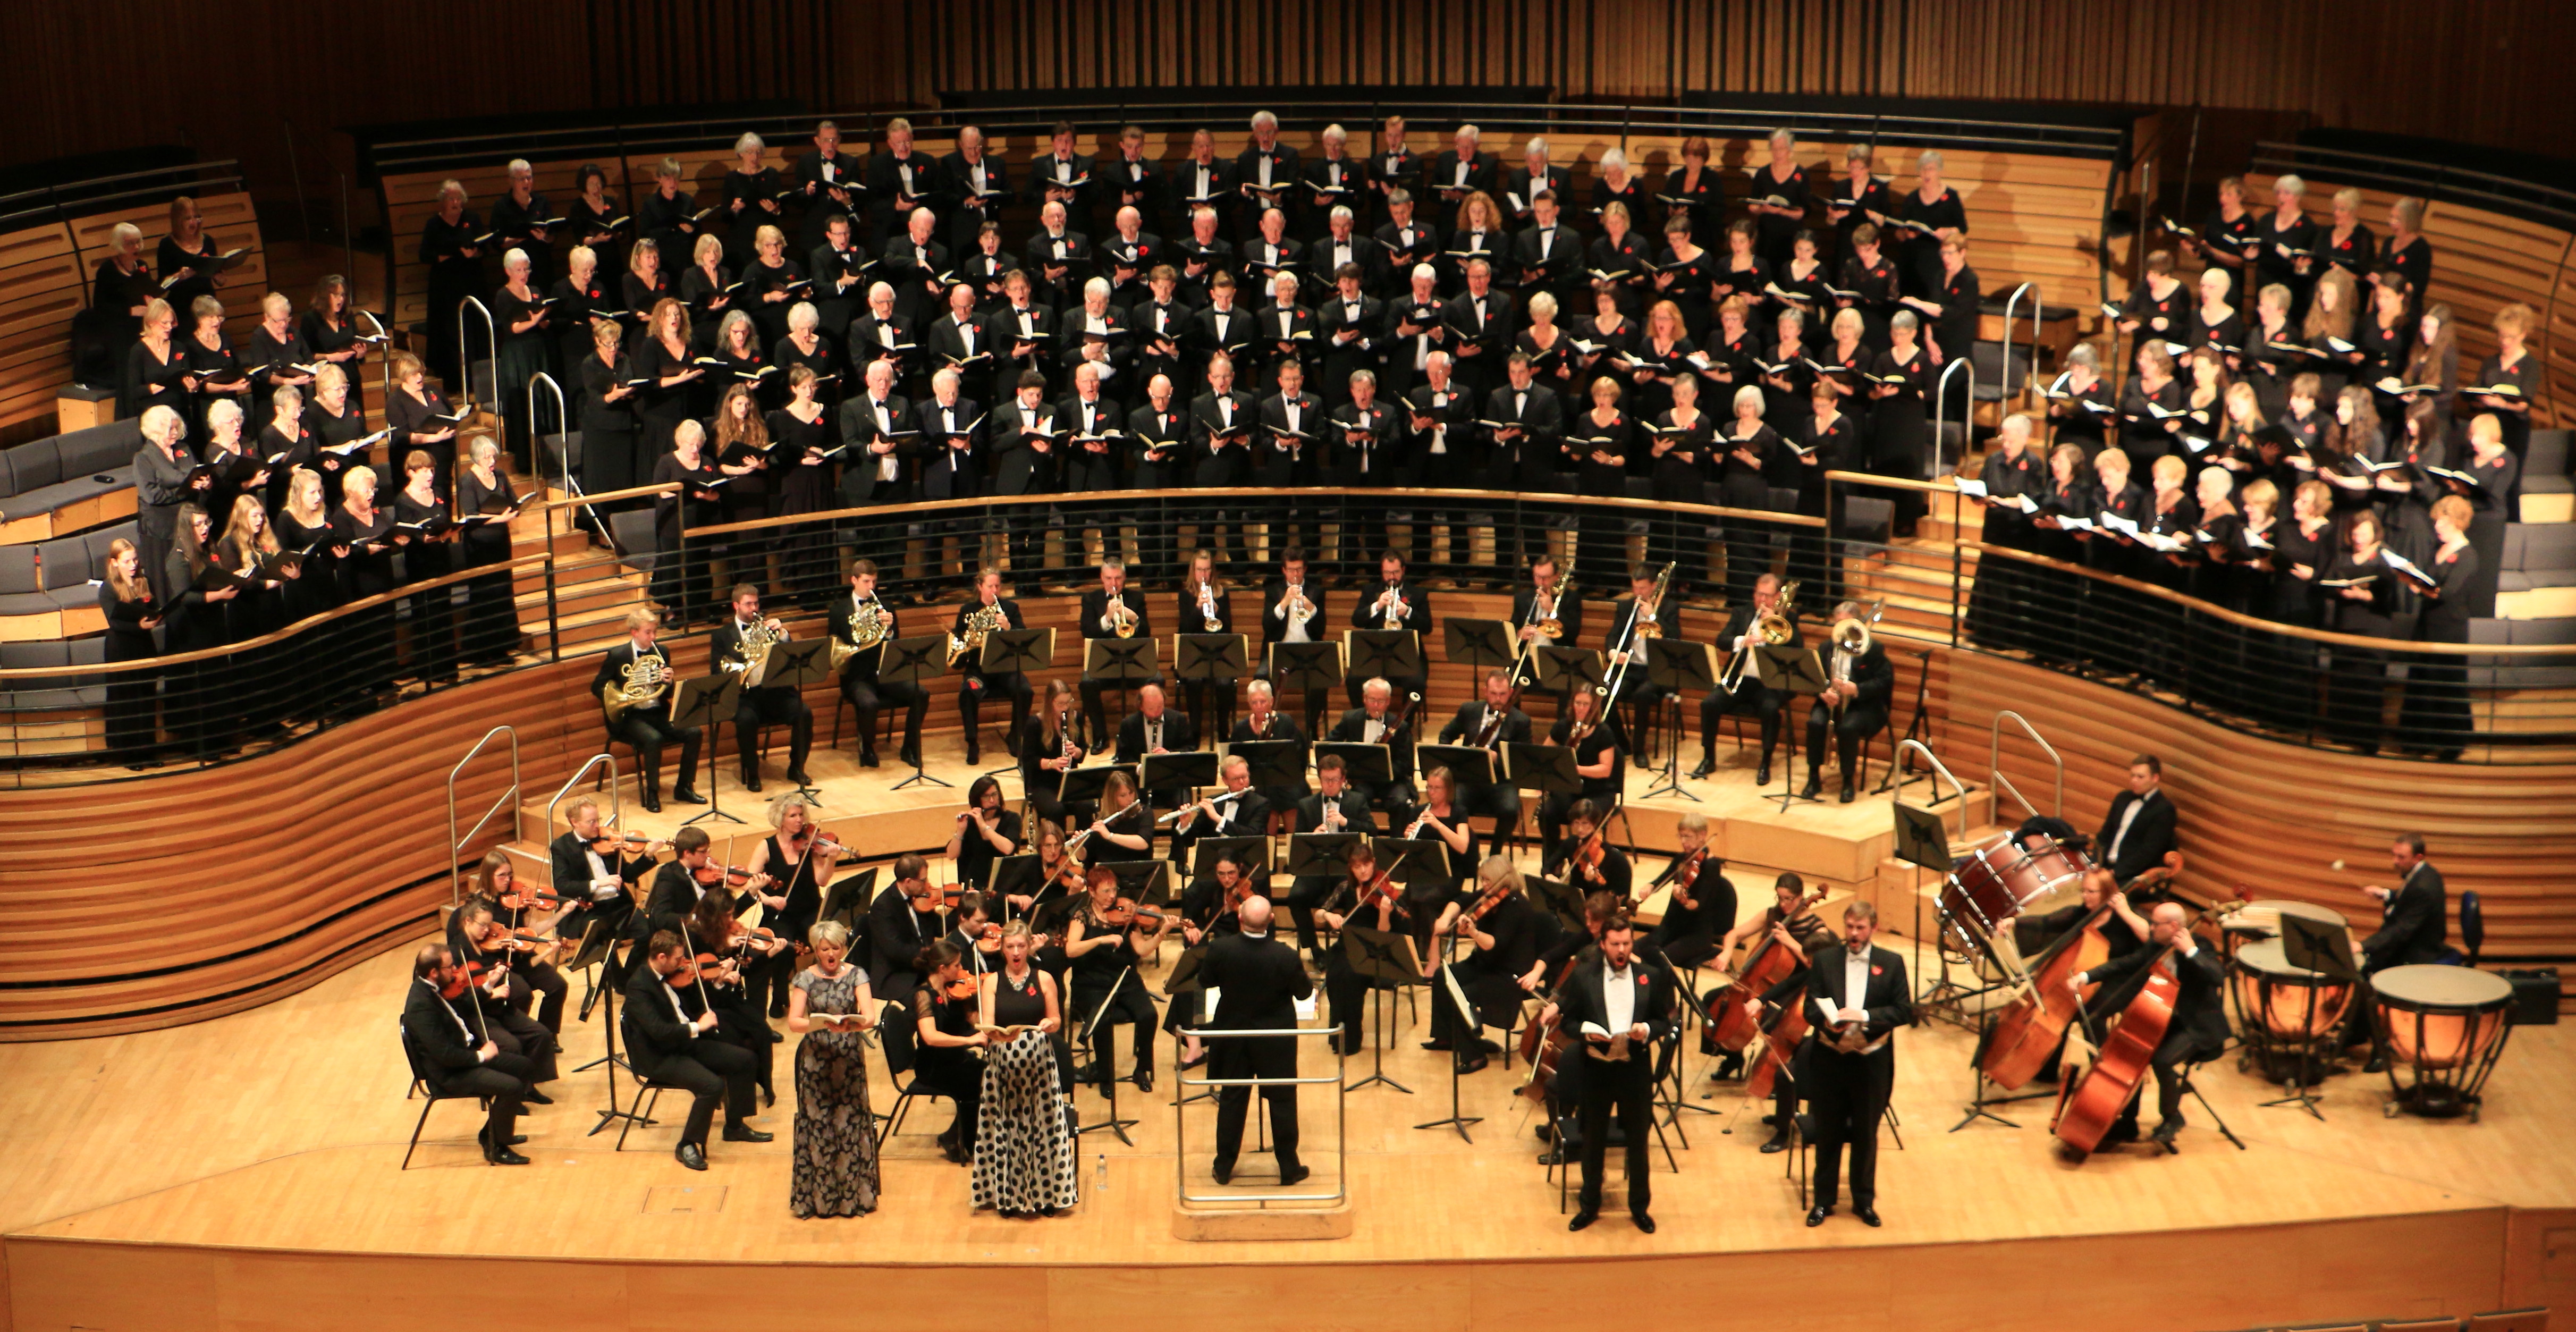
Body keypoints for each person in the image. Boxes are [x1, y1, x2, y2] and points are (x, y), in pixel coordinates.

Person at [2069, 901, 2226, 1151]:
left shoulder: (2201, 946)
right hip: (2169, 1021)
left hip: (2199, 1027)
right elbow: (2126, 963)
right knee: (2136, 1059)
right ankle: (2128, 1123)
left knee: (2162, 1061)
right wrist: (2086, 976)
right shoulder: (2157, 946)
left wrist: (2191, 952)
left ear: (2174, 926)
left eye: (2155, 924)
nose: (2150, 927)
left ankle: (2172, 1117)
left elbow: (2217, 976)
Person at [1549, 914, 1672, 1233]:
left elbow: (1664, 1021)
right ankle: (1590, 1205)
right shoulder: (1583, 976)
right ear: (1603, 944)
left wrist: (1646, 1029)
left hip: (1635, 1069)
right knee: (1593, 1140)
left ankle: (1640, 1207)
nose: (1621, 950)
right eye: (1615, 944)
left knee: (1637, 1142)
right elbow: (1568, 1022)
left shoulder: (1651, 976)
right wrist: (1586, 1033)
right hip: (1597, 1070)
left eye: (1626, 944)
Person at [1802, 901, 1912, 1226]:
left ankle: (1863, 1200)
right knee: (1828, 1132)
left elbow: (1904, 1011)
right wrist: (1827, 1023)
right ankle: (1824, 1200)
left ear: (1873, 928)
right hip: (1830, 1061)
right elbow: (1810, 1008)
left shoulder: (1892, 963)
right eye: (1849, 926)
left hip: (1870, 1063)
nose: (1853, 934)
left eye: (1860, 928)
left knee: (1866, 1133)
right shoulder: (1825, 960)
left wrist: (1864, 1016)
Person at [624, 930, 771, 1170]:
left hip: (685, 1044)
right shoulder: (639, 988)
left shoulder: (674, 976)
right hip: (660, 1055)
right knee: (711, 1085)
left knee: (745, 1059)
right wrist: (697, 1026)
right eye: (678, 959)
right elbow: (658, 1031)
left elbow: (701, 1002)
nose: (684, 964)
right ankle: (687, 1144)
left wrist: (719, 979)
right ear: (662, 957)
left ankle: (734, 1126)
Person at [1199, 896, 1313, 1186]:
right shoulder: (1285, 955)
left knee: (1232, 1100)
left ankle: (1223, 1166)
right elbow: (1303, 994)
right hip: (1275, 1039)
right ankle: (1289, 1166)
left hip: (1234, 1035)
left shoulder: (1221, 949)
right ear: (1272, 921)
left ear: (1239, 917)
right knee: (1282, 1100)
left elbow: (1205, 981)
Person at [974, 922, 1079, 1217]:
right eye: (1010, 947)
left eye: (1021, 946)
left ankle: (1046, 1196)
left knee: (1041, 1130)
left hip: (1038, 1063)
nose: (1016, 952)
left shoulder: (1044, 978)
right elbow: (988, 1027)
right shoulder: (991, 982)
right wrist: (996, 1034)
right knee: (1005, 1131)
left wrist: (1050, 1024)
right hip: (1003, 1065)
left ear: (1029, 946)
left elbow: (1056, 1019)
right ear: (1003, 949)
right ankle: (1008, 1197)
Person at [403, 945, 536, 1166]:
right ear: (434, 972)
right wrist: (481, 1056)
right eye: (449, 967)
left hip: (465, 1057)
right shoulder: (420, 1006)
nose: (455, 970)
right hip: (450, 1074)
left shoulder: (433, 988)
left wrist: (489, 984)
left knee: (524, 1066)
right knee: (511, 1087)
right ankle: (496, 1147)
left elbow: (462, 1007)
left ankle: (492, 1133)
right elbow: (444, 1055)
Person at [786, 920, 880, 1217]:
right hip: (816, 1061)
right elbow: (794, 1021)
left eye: (835, 948)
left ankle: (855, 1198)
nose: (830, 954)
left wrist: (853, 1023)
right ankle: (819, 1200)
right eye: (824, 949)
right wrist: (817, 1024)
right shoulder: (804, 979)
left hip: (848, 1059)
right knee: (818, 1125)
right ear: (816, 950)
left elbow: (870, 1016)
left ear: (843, 949)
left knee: (850, 1124)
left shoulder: (857, 975)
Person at [1425, 855, 1545, 1076]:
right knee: (1444, 975)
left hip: (1507, 974)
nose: (1484, 885)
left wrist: (1473, 932)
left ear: (1502, 879)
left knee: (1459, 995)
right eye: (1482, 880)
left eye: (1488, 880)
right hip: (1486, 964)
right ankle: (1446, 1037)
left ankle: (1475, 1055)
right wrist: (1446, 918)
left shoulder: (1516, 906)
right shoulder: (1490, 896)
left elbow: (1495, 944)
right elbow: (1460, 901)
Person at [1063, 865, 1171, 1092]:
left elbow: (1142, 949)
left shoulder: (1126, 915)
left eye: (1114, 890)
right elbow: (1071, 950)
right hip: (1092, 984)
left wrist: (1162, 933)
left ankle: (1142, 1069)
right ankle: (1105, 1076)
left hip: (1125, 981)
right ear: (1091, 892)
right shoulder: (1083, 916)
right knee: (1101, 1022)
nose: (1113, 896)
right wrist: (1101, 940)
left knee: (1149, 1015)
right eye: (1106, 891)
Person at [2349, 832, 2450, 1072]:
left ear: (2418, 857)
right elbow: (2406, 901)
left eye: (2401, 857)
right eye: (2394, 855)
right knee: (2365, 973)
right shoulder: (2421, 874)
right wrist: (2386, 895)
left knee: (2375, 984)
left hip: (2418, 953)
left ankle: (2383, 1049)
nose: (2395, 861)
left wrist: (2363, 945)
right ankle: (2356, 1032)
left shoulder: (2425, 886)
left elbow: (2402, 929)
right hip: (2408, 943)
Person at [590, 608, 704, 812]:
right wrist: (620, 696)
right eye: (648, 632)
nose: (653, 637)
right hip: (630, 716)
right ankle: (652, 792)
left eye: (655, 632)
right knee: (654, 739)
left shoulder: (661, 652)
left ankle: (684, 787)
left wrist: (668, 681)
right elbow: (597, 686)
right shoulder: (618, 655)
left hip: (657, 711)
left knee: (694, 732)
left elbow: (666, 693)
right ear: (634, 632)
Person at [1695, 571, 1799, 782]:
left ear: (1778, 596)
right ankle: (1709, 758)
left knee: (1771, 710)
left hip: (1768, 684)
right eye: (1759, 594)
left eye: (1768, 596)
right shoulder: (1741, 613)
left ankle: (1765, 763)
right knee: (1709, 704)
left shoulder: (1788, 618)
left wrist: (1773, 622)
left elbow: (1797, 648)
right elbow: (1722, 640)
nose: (1762, 600)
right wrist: (1742, 640)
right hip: (1739, 680)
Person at [831, 559, 927, 768]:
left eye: (874, 581)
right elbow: (833, 646)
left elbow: (895, 645)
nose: (871, 587)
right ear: (854, 580)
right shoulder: (839, 610)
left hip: (884, 673)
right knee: (869, 703)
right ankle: (867, 748)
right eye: (866, 581)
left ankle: (909, 747)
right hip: (856, 677)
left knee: (921, 693)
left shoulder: (886, 607)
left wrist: (890, 631)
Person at [1800, 603, 1892, 804]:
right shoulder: (1826, 647)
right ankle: (1813, 778)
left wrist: (1856, 689)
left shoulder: (1872, 648)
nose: (1840, 630)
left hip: (1863, 705)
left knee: (1848, 728)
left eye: (1845, 624)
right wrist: (1824, 692)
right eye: (1837, 623)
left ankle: (1848, 781)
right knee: (1815, 723)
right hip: (1830, 702)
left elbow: (1884, 681)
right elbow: (1815, 677)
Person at [953, 566, 1033, 766]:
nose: (995, 591)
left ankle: (1015, 737)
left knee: (1025, 690)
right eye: (990, 586)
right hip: (978, 672)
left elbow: (1023, 639)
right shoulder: (967, 611)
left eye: (998, 586)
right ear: (980, 586)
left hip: (1006, 669)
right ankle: (972, 743)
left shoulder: (1011, 609)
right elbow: (958, 642)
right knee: (968, 692)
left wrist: (1009, 628)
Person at [1437, 670, 1530, 830]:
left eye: (1503, 694)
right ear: (1485, 691)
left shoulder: (1521, 721)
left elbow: (1522, 761)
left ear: (1512, 693)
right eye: (1493, 694)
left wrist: (1496, 758)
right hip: (1470, 778)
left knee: (1510, 811)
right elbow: (1446, 735)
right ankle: (1464, 845)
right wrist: (1451, 761)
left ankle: (1496, 852)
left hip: (1502, 781)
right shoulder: (1469, 710)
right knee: (1454, 805)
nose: (1498, 699)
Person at [1645, 814, 1732, 968]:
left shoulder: (1711, 866)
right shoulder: (1682, 859)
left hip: (1697, 934)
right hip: (1672, 927)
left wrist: (1682, 899)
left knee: (1662, 960)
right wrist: (1650, 887)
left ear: (1702, 836)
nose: (1683, 842)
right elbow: (1662, 879)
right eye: (1681, 836)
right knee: (1639, 950)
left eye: (1688, 837)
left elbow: (1697, 905)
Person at [2094, 754, 2178, 889]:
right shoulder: (2122, 798)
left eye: (2140, 777)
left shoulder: (2164, 809)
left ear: (2155, 778)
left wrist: (2115, 873)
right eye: (2132, 776)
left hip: (2133, 874)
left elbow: (2149, 852)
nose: (2134, 781)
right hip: (2106, 866)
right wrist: (2096, 864)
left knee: (2095, 893)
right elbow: (2104, 835)